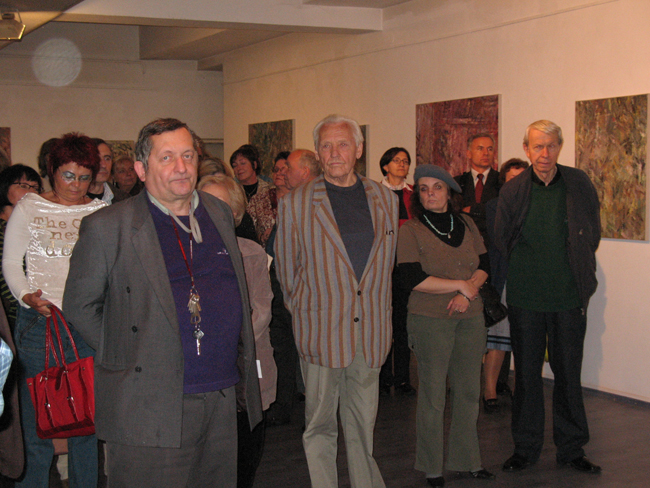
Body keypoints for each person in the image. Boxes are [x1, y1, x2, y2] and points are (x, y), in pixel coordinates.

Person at [62, 118, 262, 488]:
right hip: (149, 404)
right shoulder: (109, 226)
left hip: (221, 396)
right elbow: (80, 306)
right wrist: (132, 353)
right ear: (141, 169)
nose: (181, 167)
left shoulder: (218, 213)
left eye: (188, 155)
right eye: (167, 157)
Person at [275, 114, 397, 488]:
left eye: (342, 144)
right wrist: (309, 313)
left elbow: (385, 268)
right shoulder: (296, 204)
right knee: (320, 425)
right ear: (317, 152)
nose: (334, 153)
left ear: (358, 149)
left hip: (370, 333)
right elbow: (287, 273)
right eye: (326, 146)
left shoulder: (386, 199)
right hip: (321, 333)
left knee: (363, 425)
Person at [496, 120, 601, 474]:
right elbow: (502, 239)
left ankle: (572, 449)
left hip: (568, 297)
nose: (545, 153)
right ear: (527, 149)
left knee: (568, 375)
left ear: (559, 147)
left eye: (551, 145)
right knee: (526, 377)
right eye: (538, 146)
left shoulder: (578, 183)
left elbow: (591, 233)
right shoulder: (514, 190)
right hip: (526, 298)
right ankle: (525, 449)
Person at [3, 133, 106, 487]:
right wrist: (26, 296)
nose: (76, 185)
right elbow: (11, 263)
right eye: (68, 175)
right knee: (37, 423)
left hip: (86, 325)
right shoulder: (30, 207)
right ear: (52, 171)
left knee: (85, 424)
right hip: (40, 322)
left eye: (84, 177)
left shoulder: (100, 212)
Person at [397, 164, 495, 487]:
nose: (430, 194)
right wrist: (459, 286)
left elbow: (484, 264)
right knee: (433, 394)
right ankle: (432, 466)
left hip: (470, 316)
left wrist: (467, 292)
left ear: (450, 193)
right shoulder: (410, 230)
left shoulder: (466, 223)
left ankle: (467, 460)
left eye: (437, 187)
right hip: (430, 319)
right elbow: (412, 278)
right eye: (423, 189)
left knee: (468, 391)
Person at [197, 174, 276, 488]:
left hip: (246, 365)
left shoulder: (251, 252)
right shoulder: (183, 253)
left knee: (246, 453)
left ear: (235, 212)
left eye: (220, 205)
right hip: (202, 373)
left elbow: (262, 309)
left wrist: (225, 344)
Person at [482, 158, 529, 413]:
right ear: (504, 182)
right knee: (497, 341)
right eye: (512, 179)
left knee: (525, 342)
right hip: (503, 279)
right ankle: (489, 391)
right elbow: (501, 239)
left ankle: (522, 392)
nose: (518, 184)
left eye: (522, 178)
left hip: (528, 282)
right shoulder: (494, 206)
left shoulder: (535, 205)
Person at [378, 147, 416, 397]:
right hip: (381, 267)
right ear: (385, 166)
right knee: (382, 324)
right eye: (396, 160)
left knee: (403, 323)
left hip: (406, 265)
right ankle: (382, 378)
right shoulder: (374, 193)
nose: (402, 164)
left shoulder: (414, 194)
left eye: (405, 161)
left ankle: (402, 378)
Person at [0, 165, 43, 328]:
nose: (31, 192)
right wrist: (25, 298)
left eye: (35, 188)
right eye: (23, 186)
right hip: (13, 315)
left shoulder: (39, 226)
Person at [455, 133, 500, 241]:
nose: (486, 153)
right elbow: (456, 212)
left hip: (494, 241)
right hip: (465, 240)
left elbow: (501, 210)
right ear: (469, 153)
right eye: (480, 149)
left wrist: (473, 210)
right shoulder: (457, 183)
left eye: (490, 149)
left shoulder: (502, 181)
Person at [247, 151, 290, 247]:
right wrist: (262, 236)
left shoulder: (300, 199)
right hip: (264, 252)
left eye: (283, 170)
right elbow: (248, 232)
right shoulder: (258, 199)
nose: (278, 173)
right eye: (276, 170)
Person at [86, 138, 129, 204]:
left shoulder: (124, 200)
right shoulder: (73, 199)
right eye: (97, 159)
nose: (103, 165)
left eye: (107, 159)